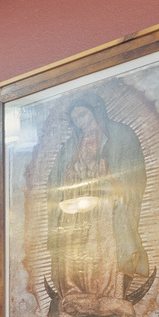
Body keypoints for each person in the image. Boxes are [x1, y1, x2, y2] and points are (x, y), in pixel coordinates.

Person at [45, 90, 149, 302]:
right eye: (75, 119)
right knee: (71, 245)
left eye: (82, 115)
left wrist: (109, 177)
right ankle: (74, 291)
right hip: (75, 208)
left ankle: (106, 292)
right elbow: (55, 182)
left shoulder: (120, 135)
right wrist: (69, 178)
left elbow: (132, 173)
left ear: (96, 112)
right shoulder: (70, 146)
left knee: (103, 244)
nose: (79, 122)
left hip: (105, 205)